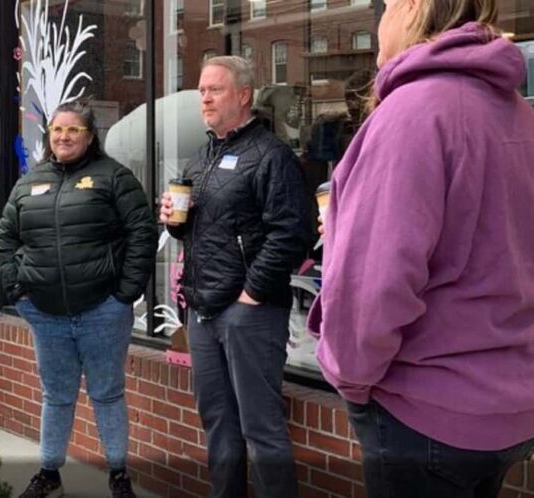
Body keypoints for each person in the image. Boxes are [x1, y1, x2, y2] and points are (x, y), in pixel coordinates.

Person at [306, 0, 534, 495]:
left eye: (385, 6)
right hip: (506, 402)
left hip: (424, 409)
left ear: (413, 6)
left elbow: (373, 284)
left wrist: (350, 378)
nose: (381, 20)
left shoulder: (414, 113)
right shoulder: (518, 115)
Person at [159, 55, 312, 498]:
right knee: (218, 424)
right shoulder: (202, 155)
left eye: (215, 89)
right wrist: (173, 221)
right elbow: (196, 229)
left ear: (243, 95)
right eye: (201, 90)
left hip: (249, 313)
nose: (204, 97)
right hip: (204, 311)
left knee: (262, 430)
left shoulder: (271, 155)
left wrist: (250, 295)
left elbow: (292, 234)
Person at [0, 100, 157, 498]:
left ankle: (119, 475)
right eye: (57, 130)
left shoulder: (113, 177)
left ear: (90, 136)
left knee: (107, 393)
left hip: (102, 310)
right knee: (56, 395)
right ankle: (49, 472)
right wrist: (17, 291)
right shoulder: (28, 182)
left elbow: (142, 232)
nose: (64, 137)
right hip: (45, 313)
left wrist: (125, 294)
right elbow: (5, 239)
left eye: (74, 130)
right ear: (49, 136)